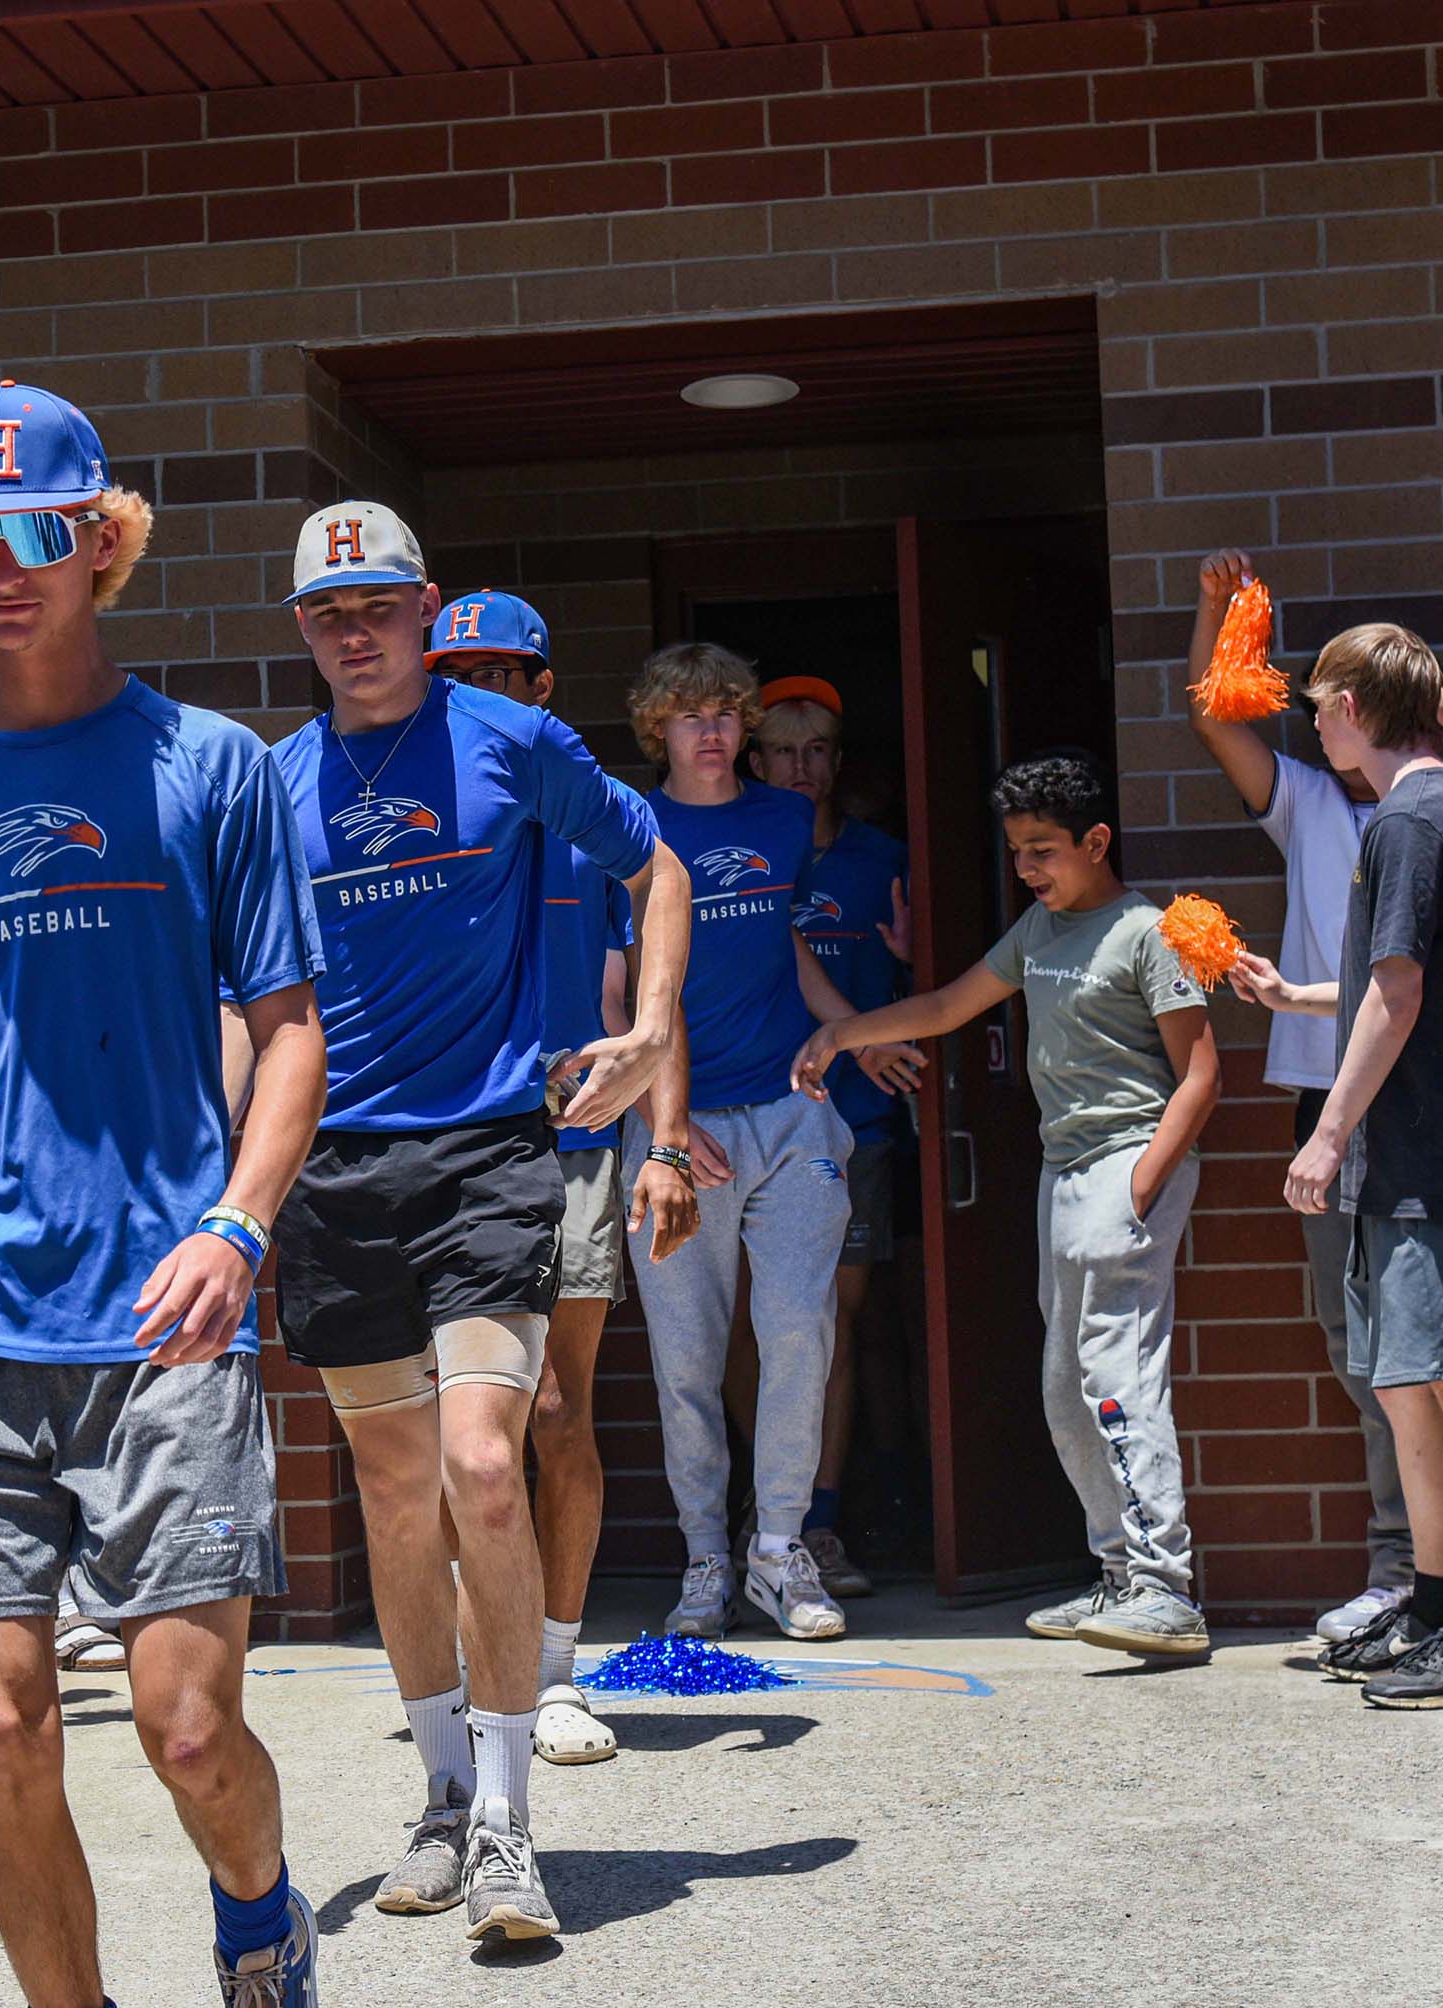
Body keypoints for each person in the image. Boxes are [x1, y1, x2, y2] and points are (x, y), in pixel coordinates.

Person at [0, 380, 331, 2006]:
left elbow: (291, 1035)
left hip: (159, 1325)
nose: (3, 564)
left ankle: (259, 1911)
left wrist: (235, 1223)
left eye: (37, 528)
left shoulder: (214, 769)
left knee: (189, 1730)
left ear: (103, 538)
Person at [271, 503, 691, 1942]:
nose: (356, 631)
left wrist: (644, 1035)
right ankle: (441, 1799)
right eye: (329, 613)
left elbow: (658, 866)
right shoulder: (271, 786)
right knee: (395, 1500)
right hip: (334, 1170)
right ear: (307, 629)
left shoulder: (513, 744)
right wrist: (229, 1190)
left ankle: (511, 1824)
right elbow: (244, 1005)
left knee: (482, 1470)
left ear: (425, 605)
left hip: (493, 1153)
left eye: (378, 604)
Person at [1184, 552, 1443, 1662]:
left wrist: (1416, 685)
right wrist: (1292, 993)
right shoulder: (1345, 814)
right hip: (1369, 1118)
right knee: (1401, 1372)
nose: (1313, 731)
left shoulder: (1430, 815)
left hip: (1424, 1126)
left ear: (1355, 710)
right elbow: (1380, 972)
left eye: (1324, 709)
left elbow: (1406, 985)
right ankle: (1427, 1588)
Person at [794, 753, 1221, 1656]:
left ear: (1096, 842)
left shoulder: (1151, 932)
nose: (1027, 867)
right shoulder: (1038, 929)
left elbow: (1201, 1075)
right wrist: (841, 1032)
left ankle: (1165, 1587)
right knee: (1066, 1387)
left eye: (1043, 850)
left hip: (1124, 1167)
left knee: (1116, 1376)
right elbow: (951, 1005)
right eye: (1018, 850)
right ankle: (1117, 1577)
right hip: (1061, 1172)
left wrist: (1144, 1180)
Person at [428, 590, 706, 1767]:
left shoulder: (590, 815)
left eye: (505, 674)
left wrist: (670, 1144)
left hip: (575, 1135)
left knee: (554, 1409)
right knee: (452, 1426)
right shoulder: (416, 805)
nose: (481, 693)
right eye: (461, 673)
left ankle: (550, 1670)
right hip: (439, 1140)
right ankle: (466, 1670)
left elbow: (649, 987)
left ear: (543, 689)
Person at [621, 646, 920, 1646]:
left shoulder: (783, 819)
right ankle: (705, 1555)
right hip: (679, 1129)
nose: (707, 731)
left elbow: (782, 943)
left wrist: (853, 1036)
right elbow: (625, 987)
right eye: (685, 715)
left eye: (721, 714)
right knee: (687, 1358)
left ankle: (778, 1549)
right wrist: (656, 1122)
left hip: (791, 1113)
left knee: (799, 1336)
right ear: (653, 728)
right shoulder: (624, 825)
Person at [749, 673, 913, 1602]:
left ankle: (819, 1518)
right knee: (750, 1330)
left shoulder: (879, 855)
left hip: (860, 1120)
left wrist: (910, 959)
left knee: (830, 1327)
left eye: (817, 752)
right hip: (749, 1124)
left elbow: (938, 982)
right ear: (755, 759)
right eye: (782, 750)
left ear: (837, 764)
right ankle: (760, 1509)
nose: (800, 768)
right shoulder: (745, 854)